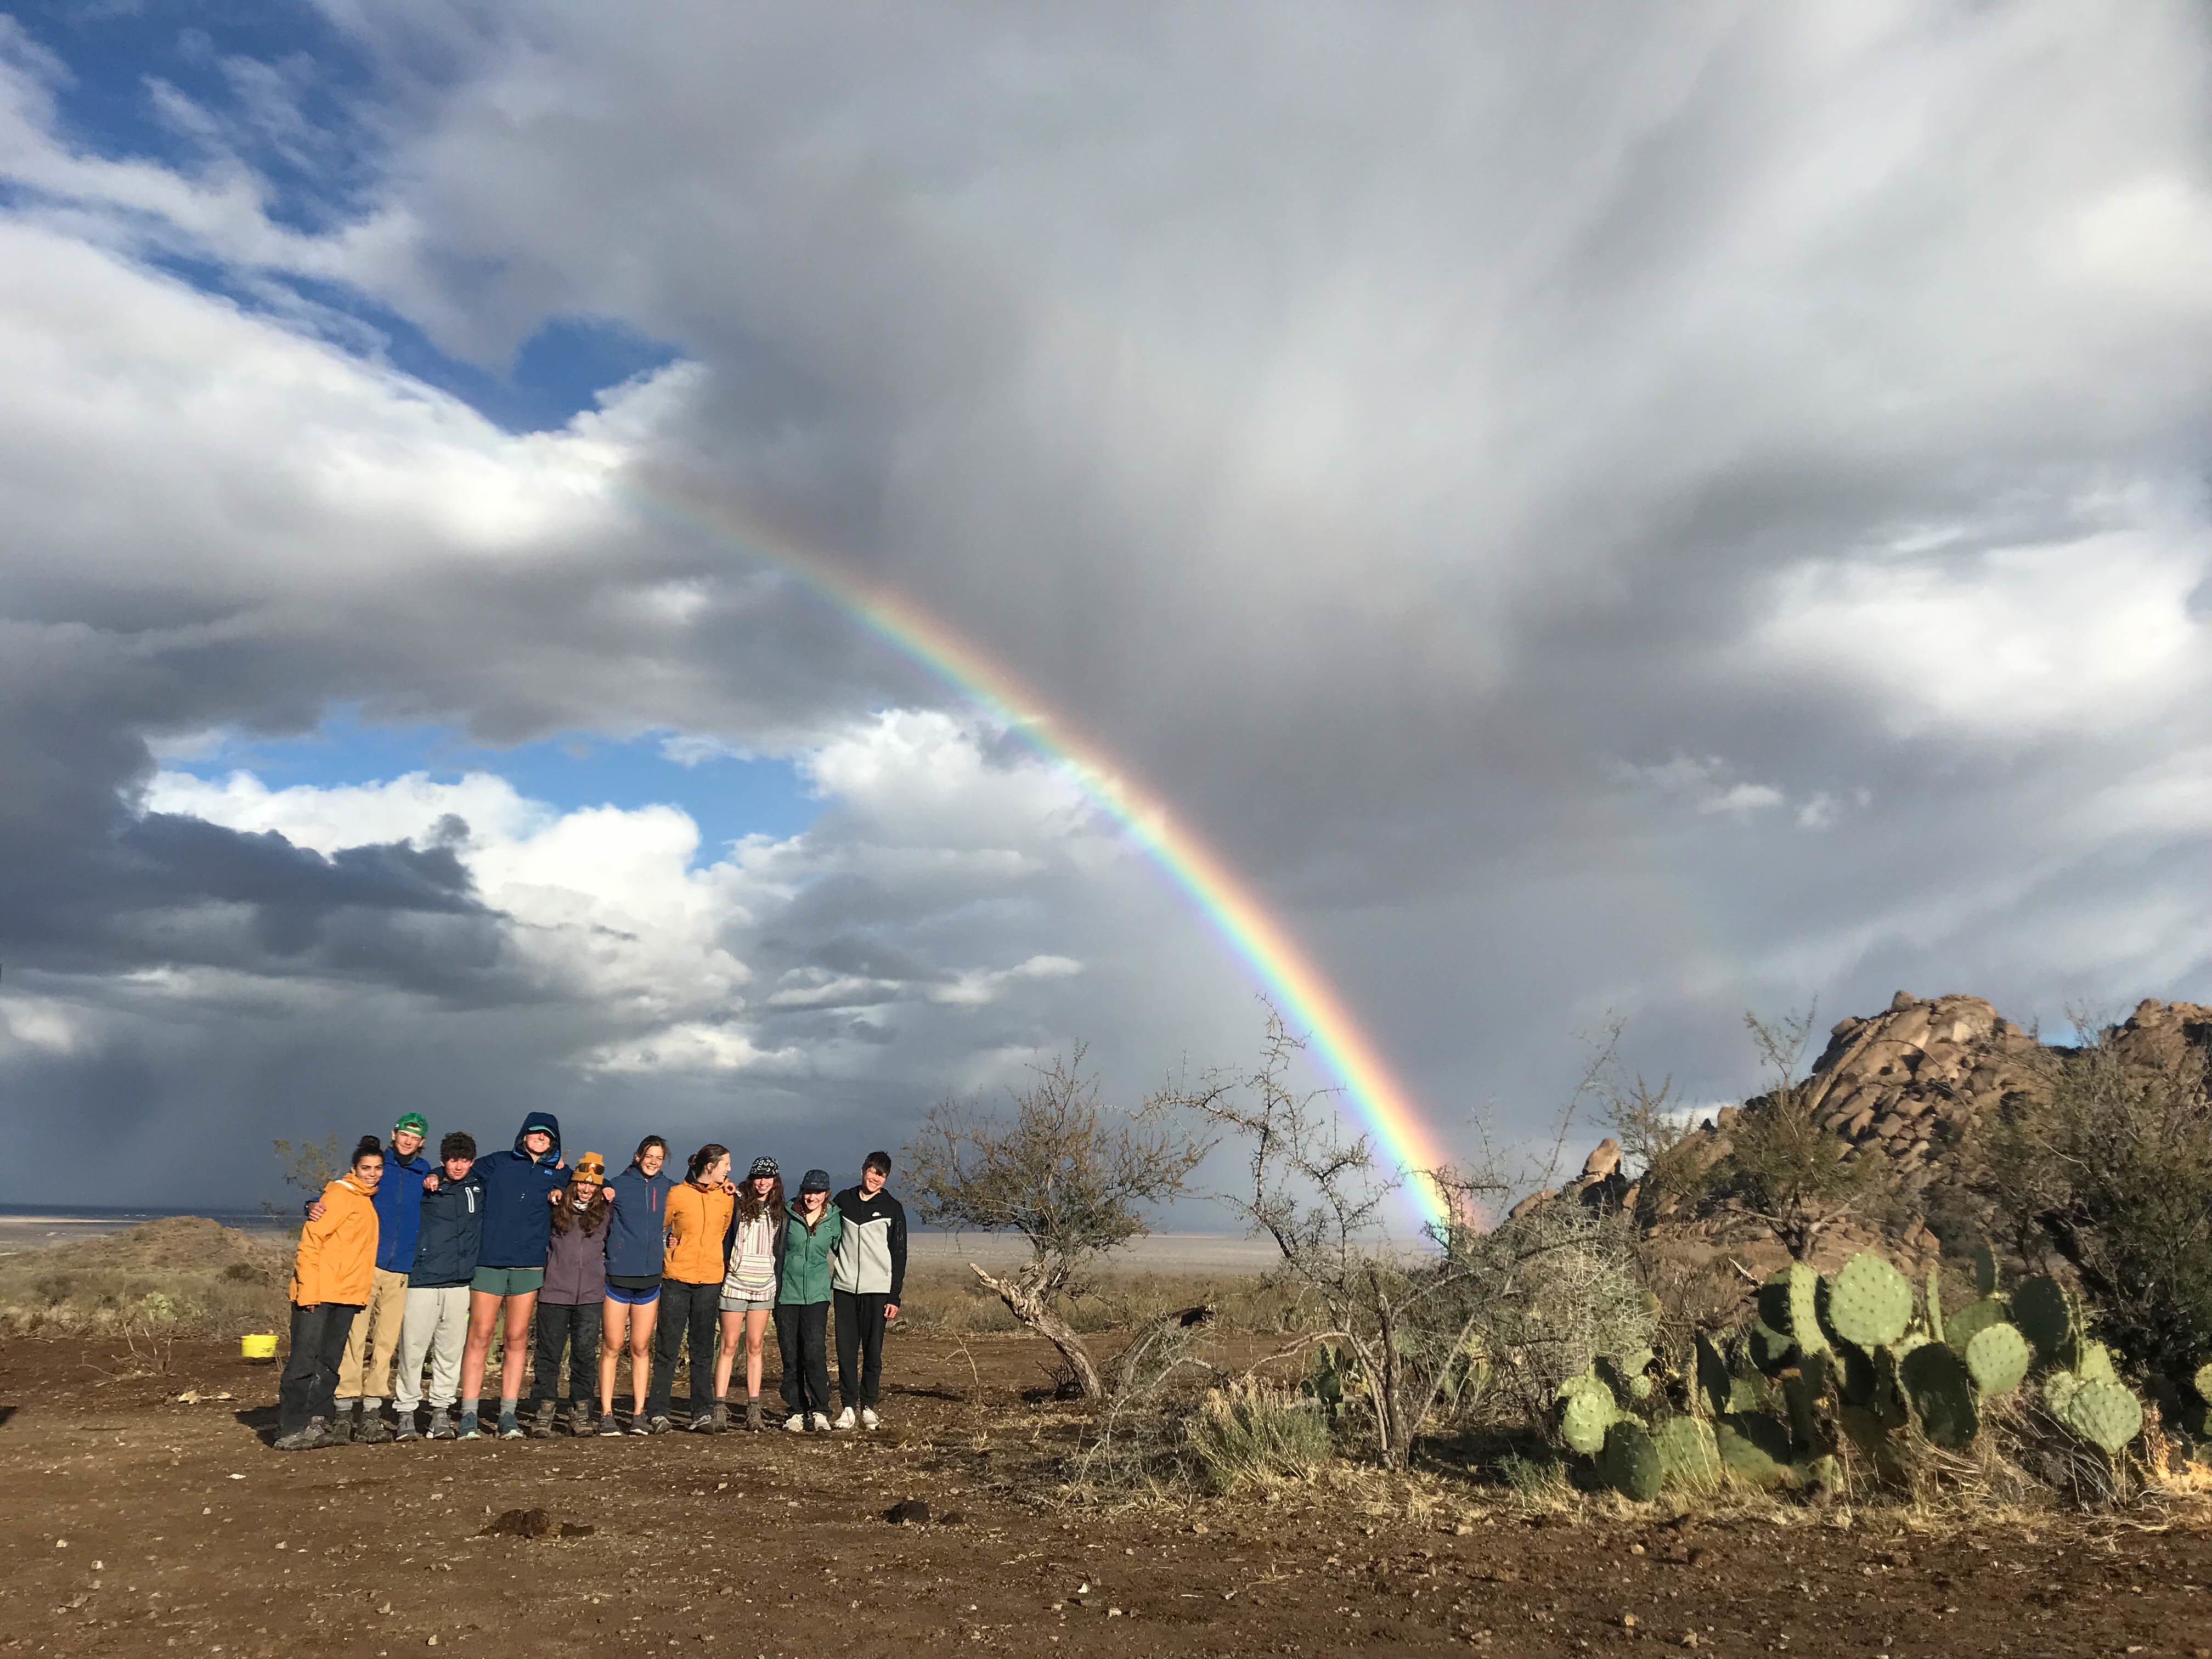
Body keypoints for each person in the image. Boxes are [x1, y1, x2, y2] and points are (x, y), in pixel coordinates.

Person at [324, 1111, 436, 1443]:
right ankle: (344, 1411)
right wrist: (315, 1204)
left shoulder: (424, 1171)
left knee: (386, 1343)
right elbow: (342, 1192)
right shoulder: (376, 1166)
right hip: (365, 1267)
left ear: (421, 1142)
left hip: (401, 1270)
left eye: (414, 1137)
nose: (407, 1140)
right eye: (403, 1134)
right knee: (354, 1339)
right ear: (394, 1134)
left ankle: (372, 1412)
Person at [458, 1110, 567, 1440]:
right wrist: (433, 1176)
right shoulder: (498, 1162)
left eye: (547, 1135)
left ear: (554, 1142)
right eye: (536, 1133)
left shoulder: (557, 1173)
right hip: (490, 1261)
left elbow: (590, 1183)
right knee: (481, 1334)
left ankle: (508, 1414)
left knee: (517, 1339)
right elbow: (459, 1173)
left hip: (529, 1265)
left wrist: (604, 1188)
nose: (541, 1138)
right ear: (523, 1135)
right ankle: (469, 1414)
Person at [274, 1137, 383, 1451]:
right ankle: (291, 1428)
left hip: (346, 1296)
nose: (372, 1173)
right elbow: (310, 1243)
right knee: (304, 1362)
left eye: (378, 1168)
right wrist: (308, 1290)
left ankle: (318, 1422)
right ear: (354, 1169)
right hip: (318, 1294)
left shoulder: (365, 1201)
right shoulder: (339, 1196)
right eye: (366, 1168)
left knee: (329, 1363)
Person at [393, 1131, 482, 1441]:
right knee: (413, 1348)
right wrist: (432, 1174)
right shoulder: (427, 1186)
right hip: (422, 1281)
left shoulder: (478, 1186)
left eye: (465, 1160)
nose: (459, 1166)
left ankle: (441, 1413)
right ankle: (406, 1412)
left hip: (460, 1283)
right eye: (453, 1160)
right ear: (443, 1160)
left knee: (450, 1352)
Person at [650, 1144, 733, 1433]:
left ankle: (702, 1412)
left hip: (710, 1279)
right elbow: (659, 1226)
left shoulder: (726, 1198)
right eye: (726, 1165)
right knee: (667, 1347)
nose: (729, 1170)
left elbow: (722, 1233)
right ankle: (658, 1412)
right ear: (710, 1166)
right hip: (677, 1278)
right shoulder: (677, 1194)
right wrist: (669, 1248)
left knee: (703, 1350)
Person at [597, 1135, 675, 1435]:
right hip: (618, 1277)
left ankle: (639, 1414)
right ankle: (606, 1414)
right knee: (613, 1346)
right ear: (638, 1156)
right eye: (649, 1156)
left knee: (641, 1348)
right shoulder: (616, 1186)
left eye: (659, 1157)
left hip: (650, 1279)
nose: (653, 1162)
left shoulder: (667, 1187)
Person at [828, 1150, 907, 1432]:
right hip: (845, 1288)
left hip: (878, 1290)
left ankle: (869, 1406)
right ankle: (848, 1407)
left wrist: (893, 1296)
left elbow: (899, 1254)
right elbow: (832, 1237)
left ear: (886, 1179)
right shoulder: (843, 1201)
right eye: (872, 1172)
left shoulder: (892, 1208)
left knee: (873, 1351)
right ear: (863, 1170)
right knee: (846, 1351)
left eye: (881, 1175)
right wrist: (845, 1263)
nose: (875, 1178)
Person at [532, 1152, 608, 1436]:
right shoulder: (555, 1208)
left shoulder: (604, 1213)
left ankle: (580, 1412)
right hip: (554, 1292)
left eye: (593, 1185)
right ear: (573, 1183)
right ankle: (545, 1412)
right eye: (581, 1183)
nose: (586, 1189)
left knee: (584, 1356)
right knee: (549, 1355)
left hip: (590, 1295)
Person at [713, 1156, 785, 1432]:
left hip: (764, 1284)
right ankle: (720, 1407)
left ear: (775, 1180)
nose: (763, 1182)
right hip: (735, 1281)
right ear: (752, 1178)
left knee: (755, 1346)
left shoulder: (780, 1210)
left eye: (768, 1177)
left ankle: (754, 1409)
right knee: (728, 1345)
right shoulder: (737, 1201)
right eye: (758, 1176)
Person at [774, 1169, 842, 1433]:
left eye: (818, 1192)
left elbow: (843, 1250)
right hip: (787, 1295)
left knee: (814, 1352)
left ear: (827, 1194)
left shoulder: (834, 1220)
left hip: (817, 1295)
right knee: (790, 1354)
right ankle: (796, 1410)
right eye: (808, 1191)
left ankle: (821, 1409)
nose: (812, 1196)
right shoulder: (787, 1213)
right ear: (802, 1191)